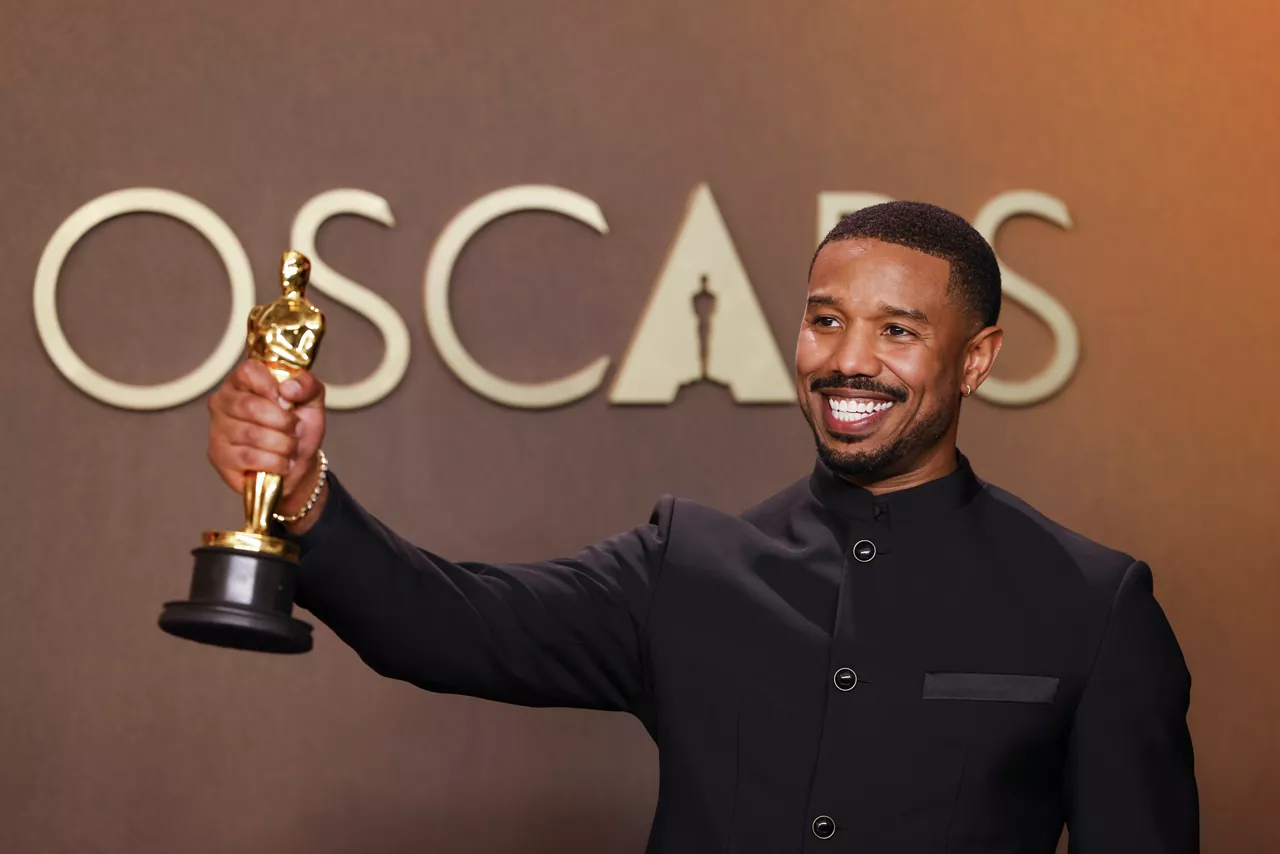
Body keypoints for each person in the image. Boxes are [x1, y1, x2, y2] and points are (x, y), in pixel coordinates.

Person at [206, 202, 1198, 853]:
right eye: (823, 319)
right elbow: (445, 623)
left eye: (896, 329)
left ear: (974, 359)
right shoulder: (686, 567)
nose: (846, 360)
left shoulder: (1090, 603)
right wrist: (297, 492)